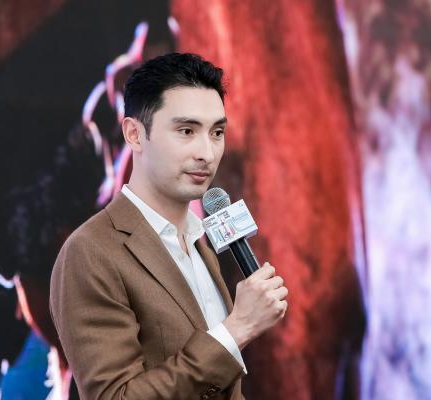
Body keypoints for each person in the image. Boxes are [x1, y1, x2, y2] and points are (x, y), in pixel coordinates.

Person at [50, 52, 288, 400]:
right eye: (186, 131)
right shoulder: (90, 252)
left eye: (217, 132)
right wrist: (235, 330)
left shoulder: (199, 243)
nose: (207, 153)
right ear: (134, 134)